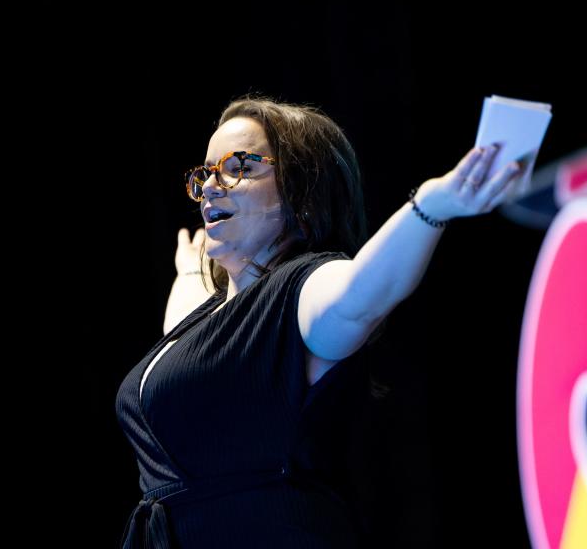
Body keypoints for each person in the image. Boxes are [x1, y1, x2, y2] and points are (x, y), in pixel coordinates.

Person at [115, 95, 524, 548]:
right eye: (207, 173)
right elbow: (183, 333)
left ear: (300, 189)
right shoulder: (207, 317)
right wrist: (191, 271)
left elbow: (360, 296)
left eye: (239, 167)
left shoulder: (302, 288)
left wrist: (429, 209)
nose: (212, 186)